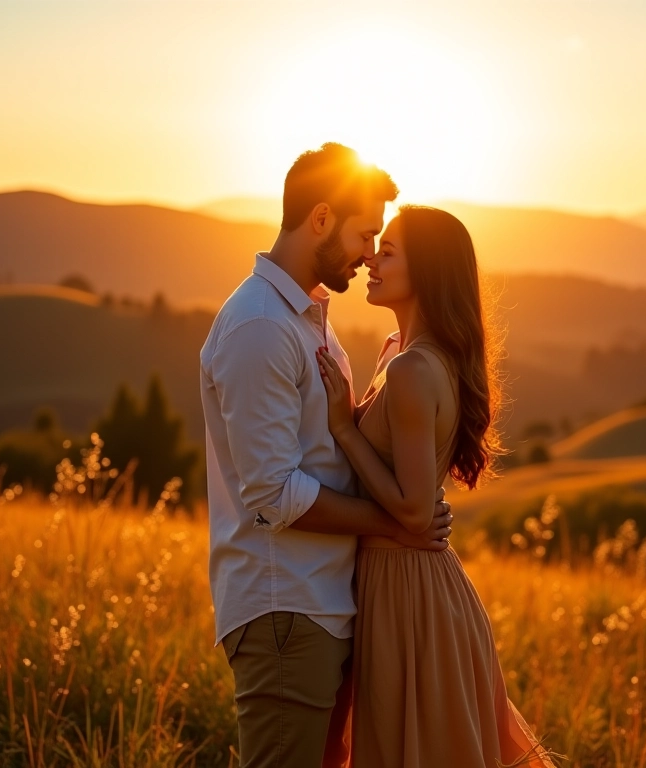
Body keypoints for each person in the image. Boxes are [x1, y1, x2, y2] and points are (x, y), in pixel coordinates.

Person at [199, 144, 454, 768]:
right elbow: (274, 494)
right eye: (365, 232)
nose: (372, 251)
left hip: (323, 603)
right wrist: (396, 522)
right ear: (319, 219)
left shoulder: (307, 318)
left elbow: (326, 449)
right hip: (286, 607)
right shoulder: (260, 327)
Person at [317, 205, 557, 767]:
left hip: (408, 593)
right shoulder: (401, 357)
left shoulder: (412, 370)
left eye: (390, 251)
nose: (372, 259)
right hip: (407, 584)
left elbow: (415, 509)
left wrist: (341, 428)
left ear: (425, 270)